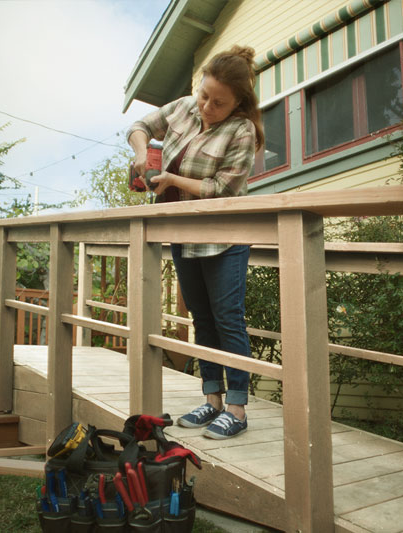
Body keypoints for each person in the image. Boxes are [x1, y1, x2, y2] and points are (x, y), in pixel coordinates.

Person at [127, 45, 264, 439]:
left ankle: (236, 408)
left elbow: (221, 188)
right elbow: (140, 125)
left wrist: (171, 181)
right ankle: (212, 400)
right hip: (183, 234)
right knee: (200, 319)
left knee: (228, 319)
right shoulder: (186, 106)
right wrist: (142, 154)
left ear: (238, 104)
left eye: (219, 103)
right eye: (205, 95)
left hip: (225, 237)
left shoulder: (242, 131)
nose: (206, 106)